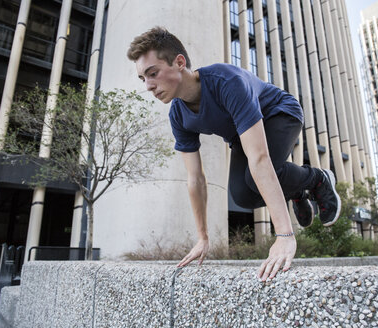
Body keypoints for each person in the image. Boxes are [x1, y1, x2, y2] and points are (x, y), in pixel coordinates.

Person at [127, 27, 341, 281]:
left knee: (254, 175)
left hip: (280, 113)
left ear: (179, 62)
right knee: (243, 196)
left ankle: (316, 179)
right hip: (243, 135)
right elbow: (195, 179)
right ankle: (295, 191)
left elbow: (260, 159)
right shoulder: (178, 115)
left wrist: (284, 234)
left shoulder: (225, 82)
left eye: (153, 74)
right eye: (143, 79)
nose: (149, 86)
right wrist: (203, 238)